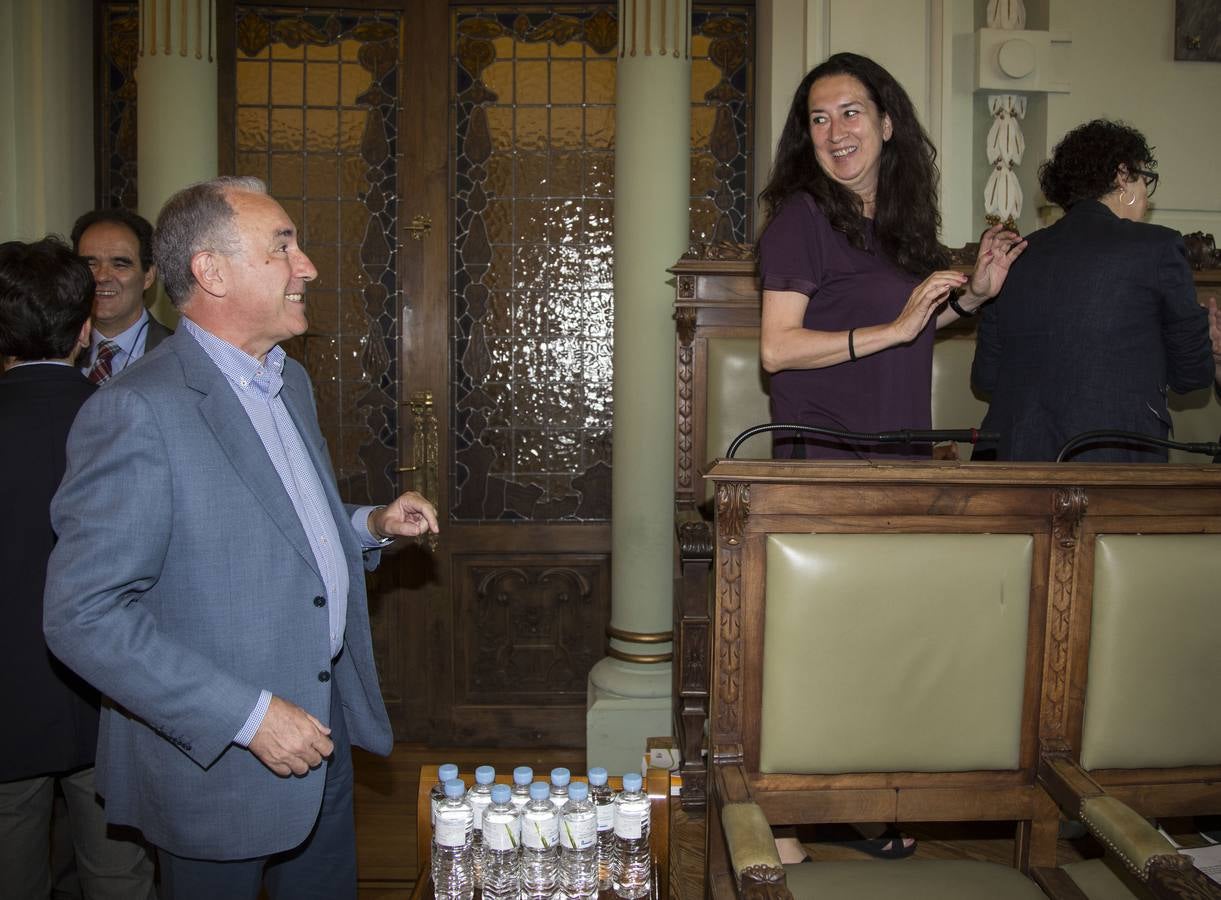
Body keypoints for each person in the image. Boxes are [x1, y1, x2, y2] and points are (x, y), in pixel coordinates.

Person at [43, 176, 440, 899]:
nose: (306, 266)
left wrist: (368, 525)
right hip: (219, 759)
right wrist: (248, 718)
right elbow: (83, 616)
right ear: (212, 272)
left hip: (322, 729)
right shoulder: (138, 409)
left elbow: (280, 526)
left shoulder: (290, 382)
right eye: (282, 247)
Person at [758, 52, 1025, 460]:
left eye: (850, 113)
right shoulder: (800, 218)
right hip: (828, 458)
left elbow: (908, 320)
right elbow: (776, 350)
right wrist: (895, 330)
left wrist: (974, 295)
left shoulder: (900, 221)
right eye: (820, 119)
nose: (835, 133)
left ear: (886, 124)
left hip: (898, 444)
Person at [0, 237, 156, 899]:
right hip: (111, 692)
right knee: (120, 874)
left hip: (7, 701)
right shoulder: (128, 420)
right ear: (85, 328)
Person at [971, 119, 1214, 461]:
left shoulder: (1015, 255)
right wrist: (1199, 336)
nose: (1146, 196)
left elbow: (986, 377)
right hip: (1114, 460)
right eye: (1146, 180)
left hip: (1015, 457)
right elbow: (1192, 375)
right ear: (1123, 175)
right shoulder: (1158, 247)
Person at [71, 208, 172, 383]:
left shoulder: (179, 355)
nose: (102, 277)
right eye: (90, 264)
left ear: (148, 276)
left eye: (119, 264)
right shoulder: (50, 352)